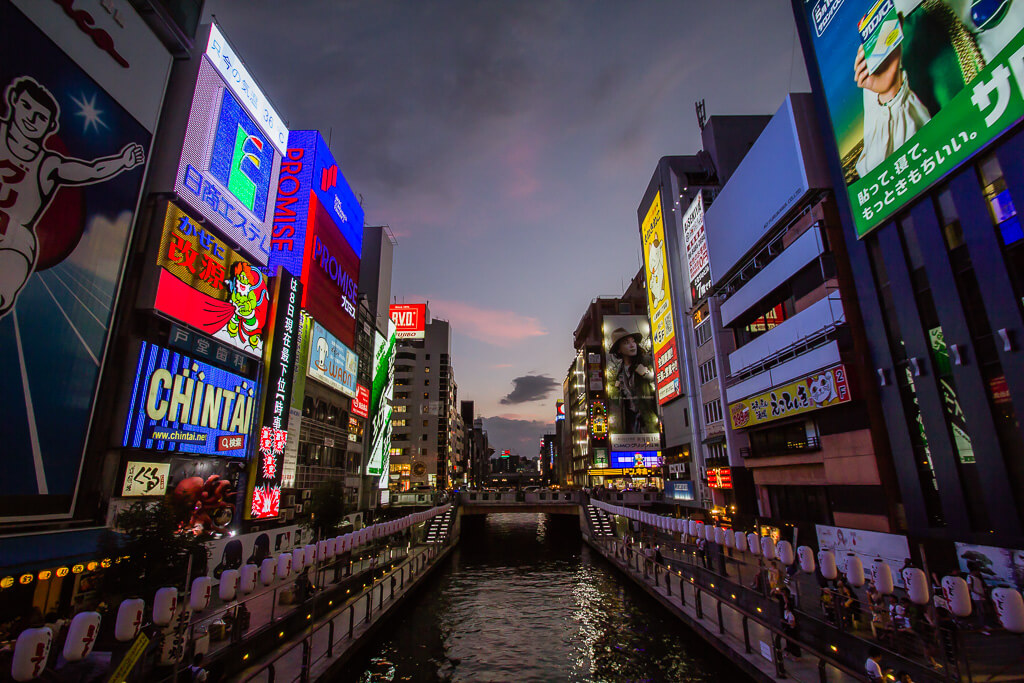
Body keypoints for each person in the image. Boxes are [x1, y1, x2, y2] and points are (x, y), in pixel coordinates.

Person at [0, 76, 145, 317]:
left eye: (41, 117)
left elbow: (91, 171)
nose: (31, 119)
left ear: (49, 127)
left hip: (16, 239)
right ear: (14, 100)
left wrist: (122, 161)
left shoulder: (47, 163)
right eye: (26, 107)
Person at [607, 327, 655, 434]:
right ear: (619, 350)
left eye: (633, 341)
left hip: (648, 414)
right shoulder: (620, 372)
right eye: (626, 343)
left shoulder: (645, 360)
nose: (632, 345)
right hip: (630, 419)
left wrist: (646, 374)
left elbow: (661, 380)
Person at [967, 566, 990, 633]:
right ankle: (981, 625)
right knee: (980, 611)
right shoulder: (970, 578)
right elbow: (970, 588)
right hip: (977, 597)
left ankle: (984, 624)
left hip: (981, 596)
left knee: (984, 610)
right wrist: (978, 593)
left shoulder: (977, 578)